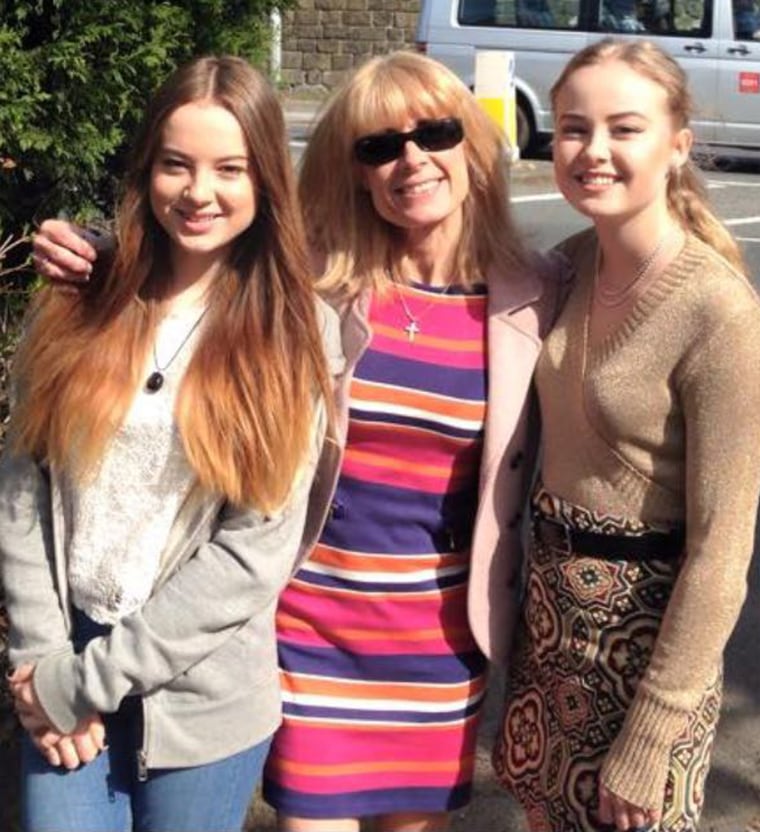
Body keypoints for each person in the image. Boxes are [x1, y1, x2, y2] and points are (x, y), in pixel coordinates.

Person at [30, 51, 569, 832]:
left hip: (438, 639)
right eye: (378, 146)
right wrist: (94, 254)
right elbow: (197, 257)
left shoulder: (538, 288)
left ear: (474, 143)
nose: (410, 160)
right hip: (311, 623)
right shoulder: (314, 278)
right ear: (354, 171)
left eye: (436, 133)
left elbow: (631, 286)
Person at [1, 54, 342, 832]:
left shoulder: (296, 338)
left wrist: (88, 682)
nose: (199, 192)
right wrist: (44, 663)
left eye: (230, 168)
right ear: (146, 170)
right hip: (61, 656)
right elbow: (23, 486)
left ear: (265, 183)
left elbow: (253, 554)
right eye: (176, 164)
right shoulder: (78, 302)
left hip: (202, 696)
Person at [492, 37, 760, 832]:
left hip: (648, 646)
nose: (593, 151)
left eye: (624, 128)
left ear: (678, 146)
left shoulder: (719, 313)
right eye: (574, 127)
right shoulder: (572, 265)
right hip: (551, 624)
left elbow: (722, 551)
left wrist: (654, 729)